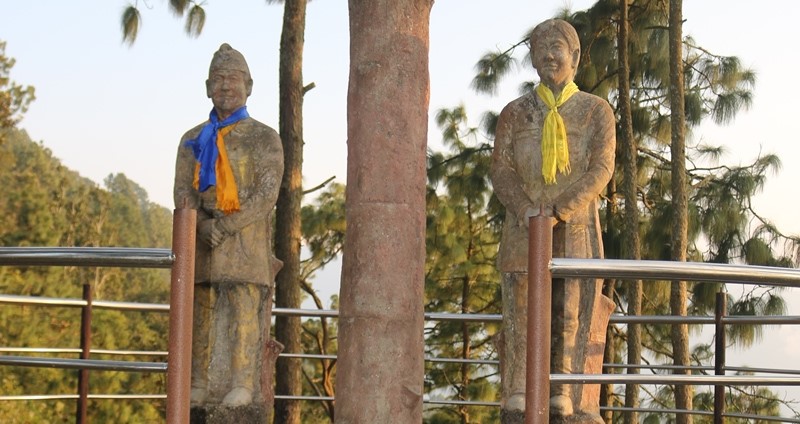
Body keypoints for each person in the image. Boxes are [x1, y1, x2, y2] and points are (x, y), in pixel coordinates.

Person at [490, 19, 615, 422]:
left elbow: (602, 167)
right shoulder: (515, 113)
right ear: (531, 58)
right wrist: (525, 207)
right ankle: (519, 389)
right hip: (523, 229)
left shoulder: (595, 111)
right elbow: (501, 170)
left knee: (571, 314)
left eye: (556, 46)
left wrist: (562, 207)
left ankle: (564, 390)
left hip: (576, 231)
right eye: (540, 48)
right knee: (521, 314)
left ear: (575, 56)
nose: (548, 55)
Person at [174, 43, 283, 407]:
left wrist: (227, 226)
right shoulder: (192, 140)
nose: (225, 86)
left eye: (233, 79)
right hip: (201, 241)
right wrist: (201, 225)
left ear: (248, 86)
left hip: (245, 243)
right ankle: (199, 382)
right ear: (207, 87)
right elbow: (183, 191)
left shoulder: (264, 138)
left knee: (243, 312)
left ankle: (243, 383)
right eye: (218, 79)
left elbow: (266, 194)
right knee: (201, 312)